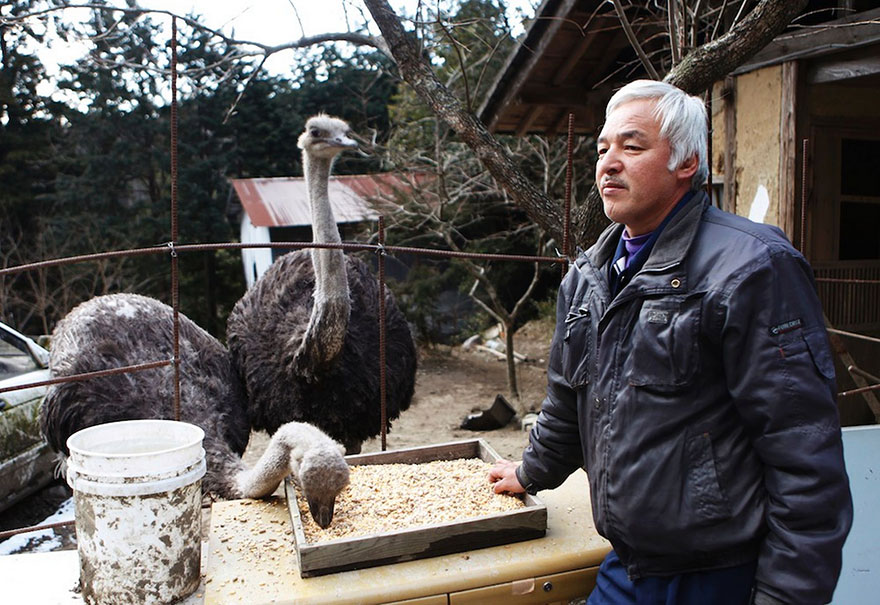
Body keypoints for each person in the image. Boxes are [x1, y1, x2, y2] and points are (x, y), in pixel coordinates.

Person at [489, 79, 853, 605]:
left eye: (631, 146)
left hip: (721, 573)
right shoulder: (589, 274)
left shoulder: (751, 268)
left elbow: (802, 450)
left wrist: (787, 596)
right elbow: (569, 399)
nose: (609, 162)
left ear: (686, 162)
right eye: (602, 148)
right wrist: (530, 471)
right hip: (629, 563)